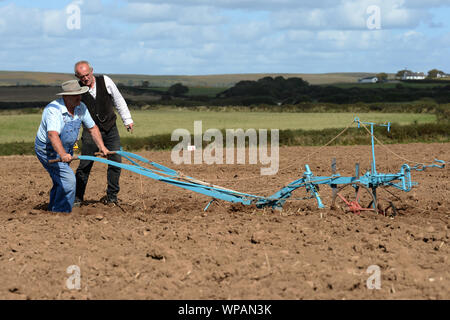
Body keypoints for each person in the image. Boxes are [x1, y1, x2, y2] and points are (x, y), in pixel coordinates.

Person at [35, 80, 109, 213]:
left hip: (66, 148)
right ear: (65, 97)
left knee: (61, 180)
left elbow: (92, 128)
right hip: (49, 150)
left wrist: (102, 147)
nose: (79, 98)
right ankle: (62, 213)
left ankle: (54, 209)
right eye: (75, 95)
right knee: (68, 181)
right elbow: (52, 135)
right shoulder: (53, 110)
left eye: (79, 94)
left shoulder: (81, 107)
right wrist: (63, 154)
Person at [73, 60, 134, 206]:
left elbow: (118, 100)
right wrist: (73, 138)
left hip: (110, 129)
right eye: (81, 77)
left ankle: (112, 197)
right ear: (77, 77)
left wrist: (127, 120)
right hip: (90, 132)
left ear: (92, 71)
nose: (85, 78)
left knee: (116, 162)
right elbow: (74, 115)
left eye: (87, 75)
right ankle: (77, 198)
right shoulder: (76, 89)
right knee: (85, 165)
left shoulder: (105, 81)